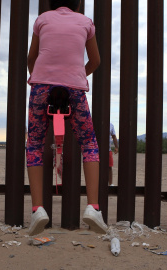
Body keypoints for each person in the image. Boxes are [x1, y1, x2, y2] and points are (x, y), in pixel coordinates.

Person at [25, 0, 107, 236]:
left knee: (35, 145)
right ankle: (93, 207)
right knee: (89, 142)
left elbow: (31, 58)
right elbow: (96, 60)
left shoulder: (42, 19)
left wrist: (40, 78)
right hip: (74, 87)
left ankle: (38, 209)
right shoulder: (85, 22)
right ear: (79, 3)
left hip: (40, 85)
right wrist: (77, 75)